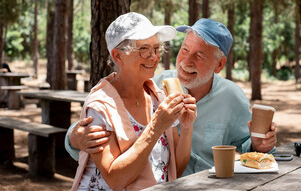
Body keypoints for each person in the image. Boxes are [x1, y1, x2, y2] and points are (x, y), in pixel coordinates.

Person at [66, 18, 277, 177]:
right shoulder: (156, 85)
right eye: (184, 50)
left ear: (219, 65)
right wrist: (74, 138)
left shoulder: (233, 97)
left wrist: (260, 145)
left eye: (199, 55)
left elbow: (247, 147)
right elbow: (101, 122)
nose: (186, 61)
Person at [70, 12, 197, 191]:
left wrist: (186, 128)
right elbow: (116, 179)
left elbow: (174, 168)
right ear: (118, 56)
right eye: (143, 49)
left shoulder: (157, 97)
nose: (153, 57)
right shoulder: (100, 106)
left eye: (156, 48)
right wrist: (156, 127)